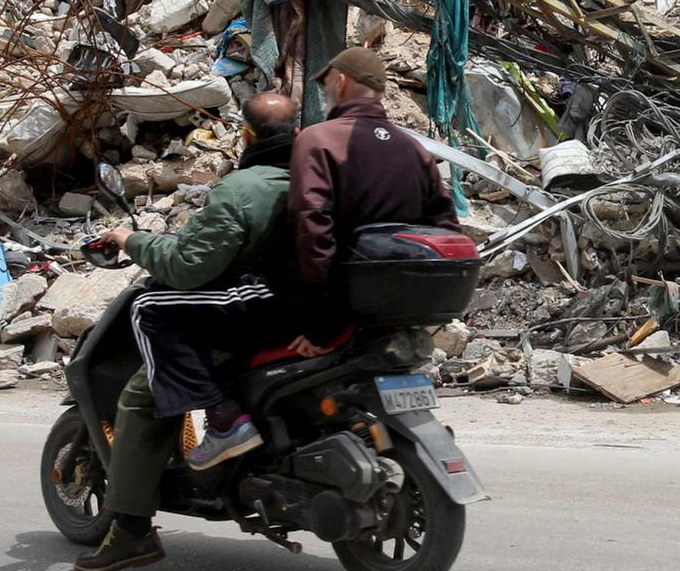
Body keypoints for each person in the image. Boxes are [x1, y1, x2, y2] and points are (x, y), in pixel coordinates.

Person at [74, 92, 297, 571]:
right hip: (307, 311)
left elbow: (189, 266)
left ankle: (133, 529)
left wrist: (130, 239)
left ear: (248, 135)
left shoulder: (242, 188)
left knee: (143, 377)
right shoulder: (316, 178)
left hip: (257, 312)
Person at [288, 46, 457, 340]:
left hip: (343, 308)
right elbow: (446, 225)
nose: (326, 91)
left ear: (340, 82)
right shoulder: (413, 148)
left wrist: (320, 323)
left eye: (326, 83)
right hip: (406, 308)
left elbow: (312, 226)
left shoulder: (319, 139)